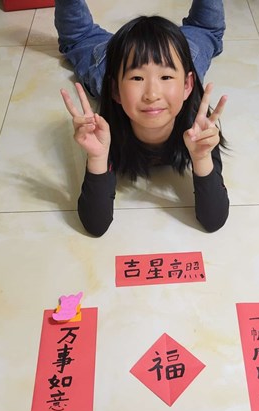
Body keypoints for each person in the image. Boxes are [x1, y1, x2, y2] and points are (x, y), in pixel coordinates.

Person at [56, 0, 229, 236]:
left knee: (204, 33)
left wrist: (202, 158)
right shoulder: (107, 127)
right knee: (79, 39)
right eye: (137, 78)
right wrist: (97, 157)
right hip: (110, 59)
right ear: (116, 90)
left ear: (187, 85)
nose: (152, 95)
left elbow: (214, 220)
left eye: (166, 77)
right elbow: (96, 225)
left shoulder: (198, 126)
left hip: (177, 51)